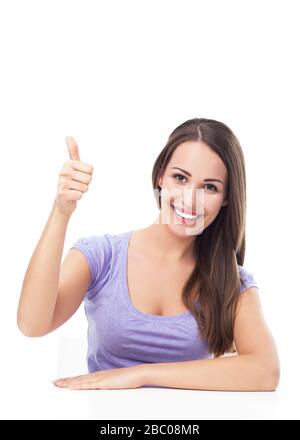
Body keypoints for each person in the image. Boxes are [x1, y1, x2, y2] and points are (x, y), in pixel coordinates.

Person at [17, 117, 280, 391]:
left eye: (209, 187)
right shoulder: (102, 256)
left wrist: (142, 375)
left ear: (226, 197)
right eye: (180, 178)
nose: (190, 200)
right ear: (159, 176)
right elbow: (32, 324)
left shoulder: (231, 282)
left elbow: (265, 371)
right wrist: (62, 210)